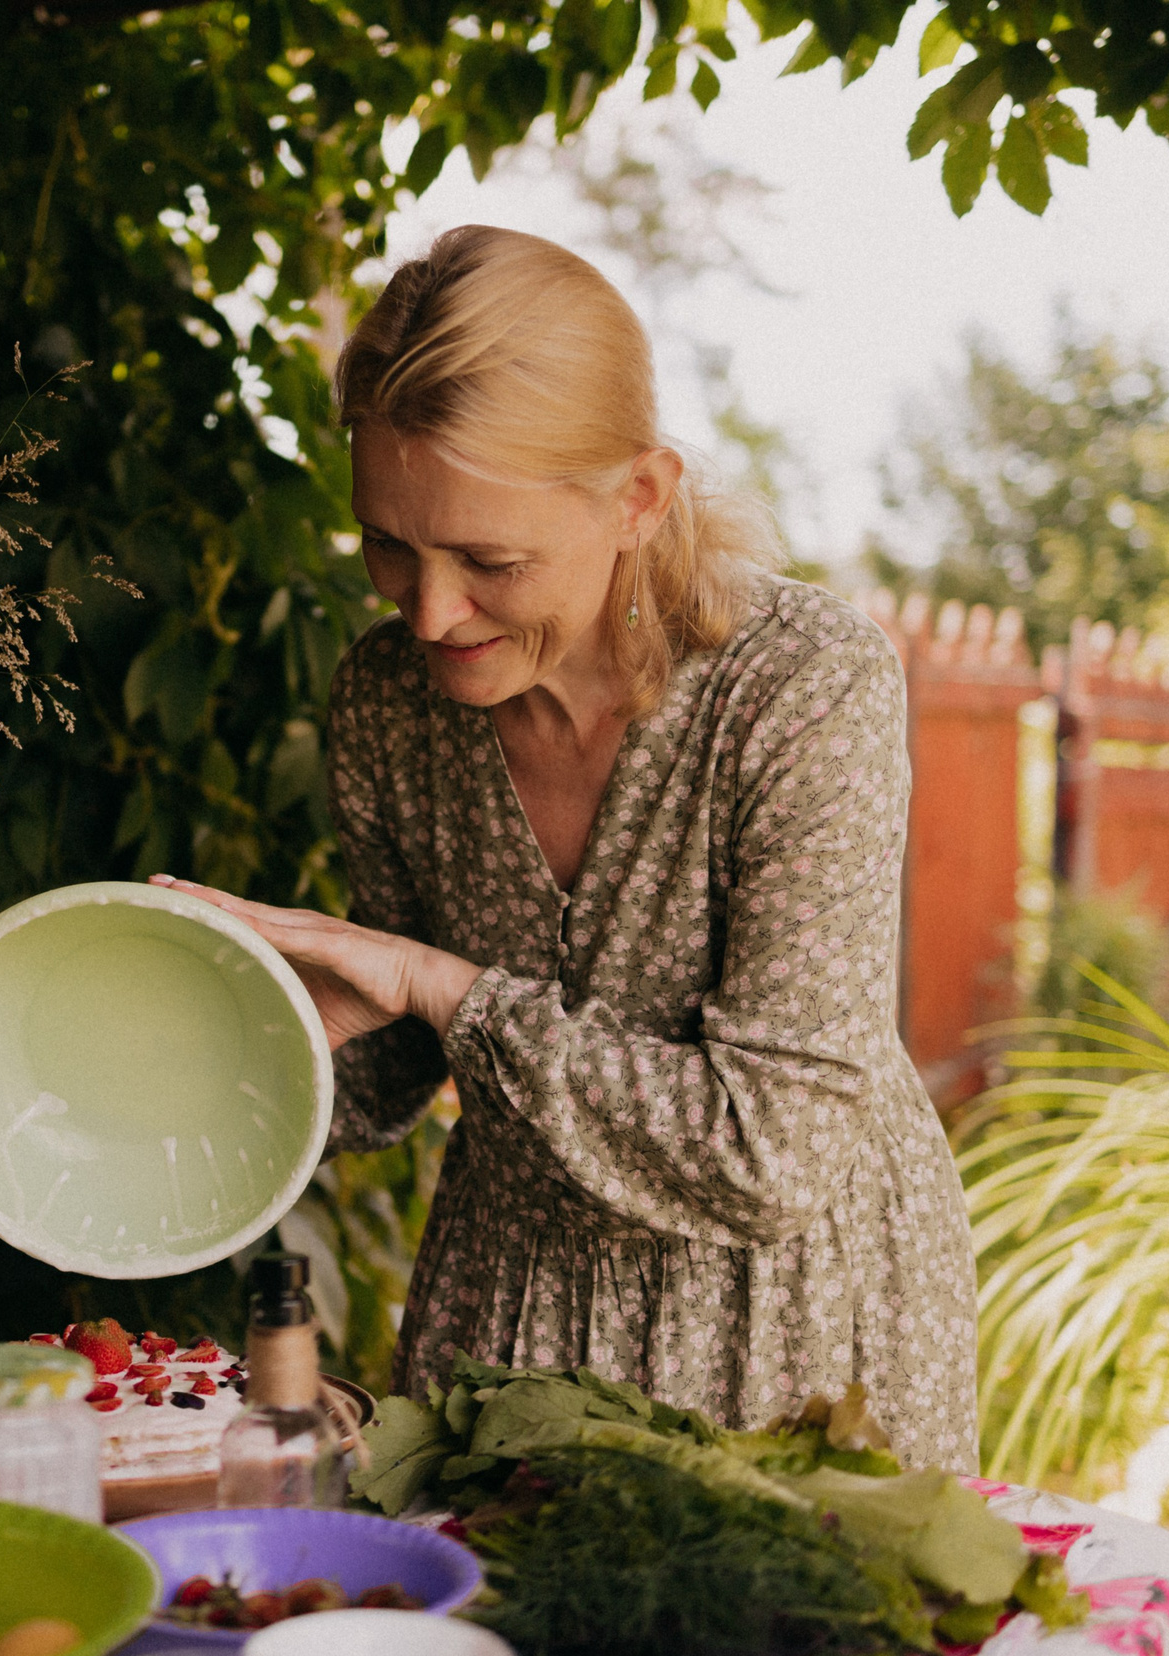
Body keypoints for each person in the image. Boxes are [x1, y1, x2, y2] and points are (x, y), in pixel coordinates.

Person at [155, 225, 978, 1473]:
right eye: (389, 545)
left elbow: (771, 1151)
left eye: (490, 560)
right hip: (511, 1309)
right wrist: (257, 1024)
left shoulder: (800, 688)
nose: (430, 613)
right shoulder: (391, 700)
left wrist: (447, 989)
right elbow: (394, 1068)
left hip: (791, 1334)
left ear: (638, 497)